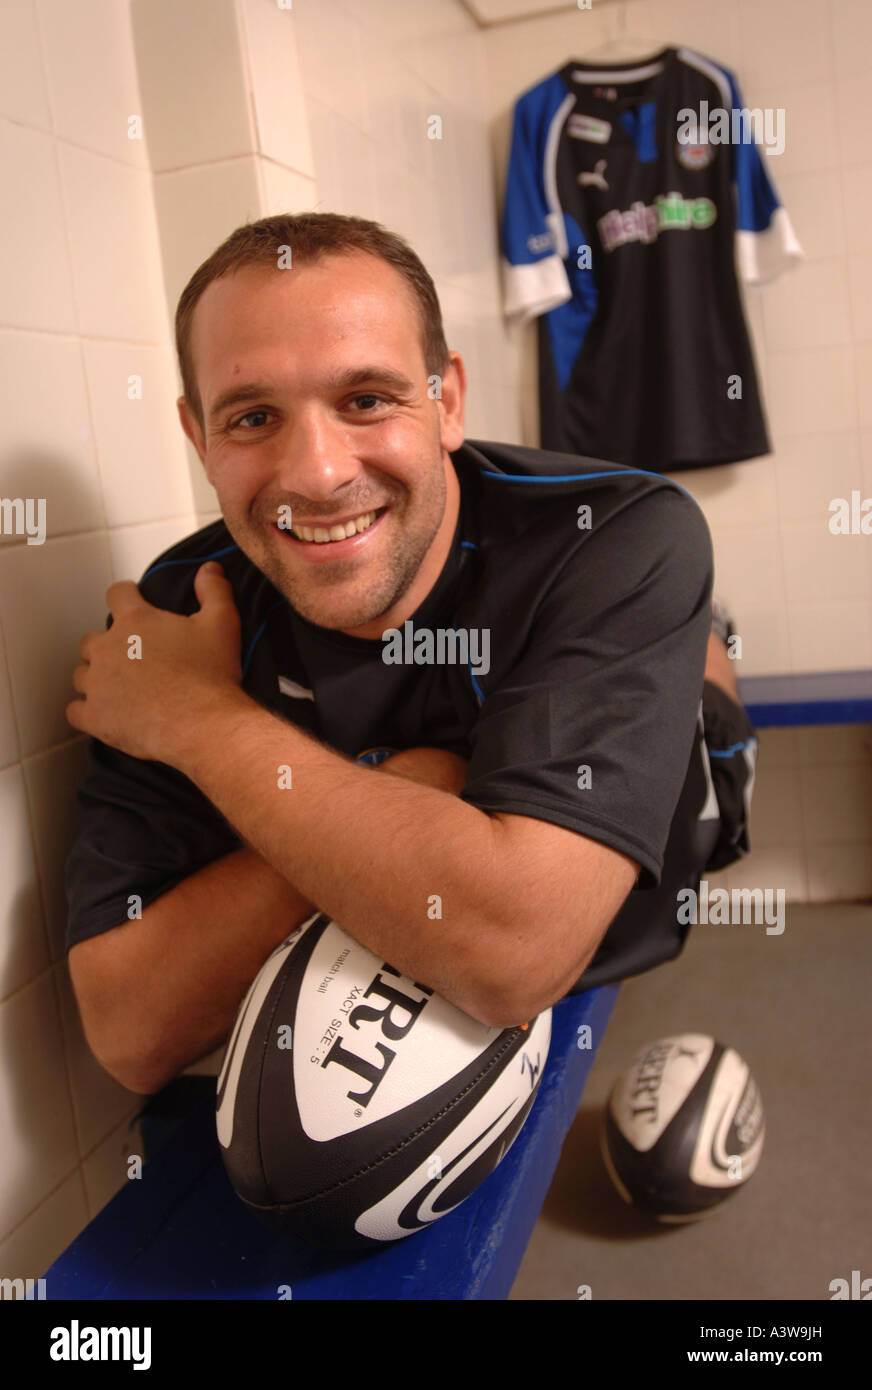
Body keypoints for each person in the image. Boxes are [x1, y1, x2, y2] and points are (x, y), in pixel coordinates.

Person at [64, 213, 757, 1100]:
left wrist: (197, 720)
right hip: (433, 960)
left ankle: (698, 638)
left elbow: (516, 954)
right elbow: (128, 1030)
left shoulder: (617, 532)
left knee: (709, 717)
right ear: (200, 439)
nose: (316, 473)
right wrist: (420, 785)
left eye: (365, 401)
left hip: (669, 823)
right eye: (252, 417)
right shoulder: (181, 616)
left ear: (448, 402)